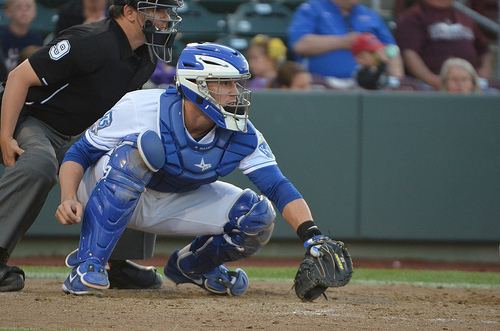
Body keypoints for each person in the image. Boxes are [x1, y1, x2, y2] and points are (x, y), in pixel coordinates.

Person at [55, 42, 352, 296]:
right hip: (106, 185)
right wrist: (68, 196)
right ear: (197, 84)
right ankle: (88, 264)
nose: (235, 93)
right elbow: (80, 152)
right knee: (135, 153)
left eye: (237, 83)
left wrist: (311, 235)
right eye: (224, 83)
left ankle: (194, 267)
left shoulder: (243, 133)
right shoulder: (140, 106)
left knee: (258, 216)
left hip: (171, 199)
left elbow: (277, 185)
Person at [0, 0, 183, 292]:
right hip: (33, 118)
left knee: (132, 161)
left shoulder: (147, 54)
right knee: (40, 163)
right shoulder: (90, 42)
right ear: (130, 12)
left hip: (79, 132)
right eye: (158, 10)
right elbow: (18, 77)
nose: (166, 17)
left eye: (167, 11)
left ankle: (114, 262)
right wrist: (5, 136)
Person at [287, 0, 403, 86]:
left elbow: (392, 49)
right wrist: (343, 42)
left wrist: (395, 80)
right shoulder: (312, 8)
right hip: (322, 84)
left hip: (368, 84)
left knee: (411, 87)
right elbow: (299, 44)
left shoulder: (370, 15)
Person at [395, 0, 492, 90]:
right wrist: (434, 81)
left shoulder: (464, 15)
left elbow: (484, 50)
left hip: (470, 85)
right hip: (431, 88)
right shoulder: (413, 16)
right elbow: (409, 54)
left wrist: (483, 75)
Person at [0, 0, 43, 75]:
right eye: (18, 7)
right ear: (8, 12)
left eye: (28, 7)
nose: (24, 11)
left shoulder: (36, 38)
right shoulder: (2, 35)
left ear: (35, 12)